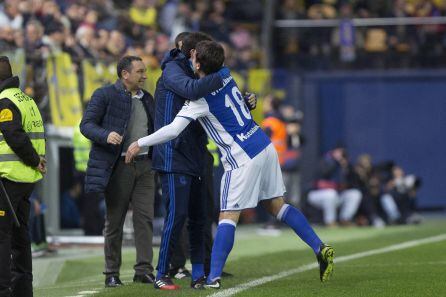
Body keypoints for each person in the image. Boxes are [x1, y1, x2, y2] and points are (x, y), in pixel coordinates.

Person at [126, 41, 334, 288]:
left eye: (194, 58)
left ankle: (212, 278)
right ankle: (319, 247)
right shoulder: (225, 74)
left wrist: (140, 142)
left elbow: (172, 130)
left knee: (227, 216)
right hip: (262, 145)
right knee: (276, 205)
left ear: (198, 63)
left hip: (241, 156)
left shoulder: (199, 99)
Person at [149, 31, 226, 290]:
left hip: (195, 154)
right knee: (176, 216)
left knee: (199, 218)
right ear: (193, 54)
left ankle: (199, 274)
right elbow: (190, 90)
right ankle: (162, 273)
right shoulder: (173, 71)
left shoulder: (197, 74)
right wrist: (222, 75)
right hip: (172, 154)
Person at [80, 56, 156, 288]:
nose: (144, 76)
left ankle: (143, 270)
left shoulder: (148, 98)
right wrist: (106, 135)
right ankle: (111, 273)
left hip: (145, 166)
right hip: (118, 166)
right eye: (140, 72)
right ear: (125, 74)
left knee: (145, 219)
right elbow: (86, 125)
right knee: (115, 221)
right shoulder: (104, 95)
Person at [0, 56, 46, 297]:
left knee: (2, 236)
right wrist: (36, 162)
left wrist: (33, 159)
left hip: (9, 178)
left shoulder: (4, 102)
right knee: (20, 236)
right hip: (26, 178)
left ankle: (4, 290)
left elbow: (14, 135)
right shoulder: (25, 99)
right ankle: (22, 290)